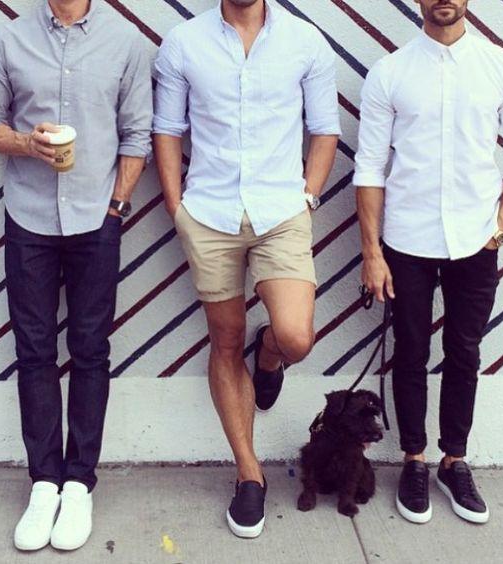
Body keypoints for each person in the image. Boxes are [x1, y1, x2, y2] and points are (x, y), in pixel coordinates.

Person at [153, 0, 340, 538]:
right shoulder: (184, 44)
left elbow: (325, 130)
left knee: (296, 335)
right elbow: (167, 129)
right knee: (226, 340)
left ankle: (272, 355)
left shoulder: (305, 42)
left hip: (281, 214)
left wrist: (308, 197)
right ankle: (249, 473)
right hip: (208, 215)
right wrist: (177, 208)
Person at [354, 0, 503, 525]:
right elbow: (369, 166)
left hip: (477, 240)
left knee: (464, 352)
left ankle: (453, 460)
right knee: (410, 350)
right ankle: (413, 460)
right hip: (406, 240)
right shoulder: (390, 72)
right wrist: (371, 253)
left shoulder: (501, 65)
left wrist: (499, 227)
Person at [0, 0, 152, 551]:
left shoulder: (126, 42)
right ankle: (44, 483)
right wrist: (24, 142)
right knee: (33, 350)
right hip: (28, 216)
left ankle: (79, 484)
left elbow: (137, 134)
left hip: (97, 218)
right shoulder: (9, 41)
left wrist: (116, 207)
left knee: (90, 349)